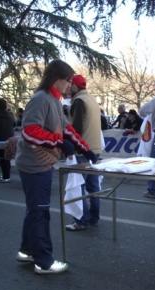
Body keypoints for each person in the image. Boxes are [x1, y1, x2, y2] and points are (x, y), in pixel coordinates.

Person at [14, 59, 97, 274]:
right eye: (68, 81)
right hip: (35, 164)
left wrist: (84, 148)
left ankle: (26, 251)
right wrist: (59, 142)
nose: (70, 85)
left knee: (35, 209)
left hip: (42, 162)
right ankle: (44, 262)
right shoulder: (41, 99)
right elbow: (30, 131)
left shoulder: (54, 99)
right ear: (56, 79)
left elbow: (66, 129)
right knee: (40, 212)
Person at [65, 74, 103, 231]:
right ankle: (93, 217)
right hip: (95, 148)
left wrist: (72, 148)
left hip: (83, 150)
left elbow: (77, 128)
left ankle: (81, 220)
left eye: (69, 86)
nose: (68, 89)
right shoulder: (92, 99)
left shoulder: (79, 101)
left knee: (78, 186)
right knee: (93, 186)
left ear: (74, 86)